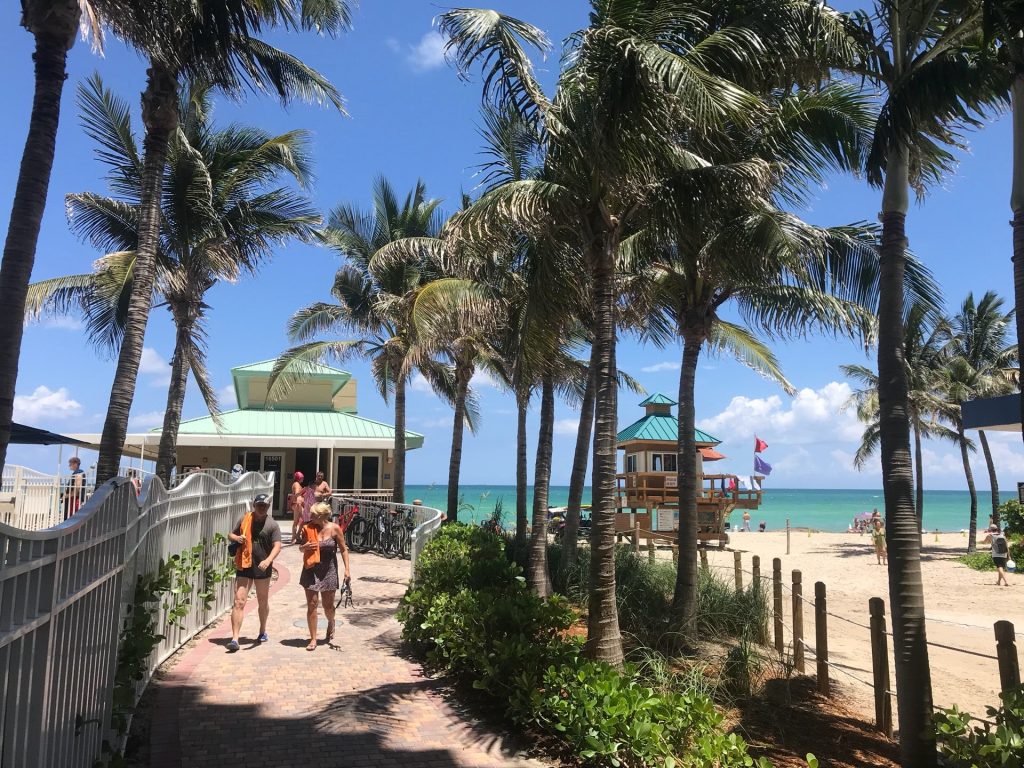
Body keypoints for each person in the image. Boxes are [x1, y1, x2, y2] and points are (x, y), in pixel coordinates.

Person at [226, 494, 282, 651]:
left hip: (262, 567)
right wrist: (237, 538)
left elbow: (277, 545)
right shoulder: (245, 519)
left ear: (268, 506)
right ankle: (235, 639)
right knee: (239, 601)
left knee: (262, 601)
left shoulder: (272, 525)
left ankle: (262, 630)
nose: (262, 508)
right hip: (244, 564)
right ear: (254, 505)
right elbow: (230, 534)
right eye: (259, 505)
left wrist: (268, 560)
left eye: (264, 505)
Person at [298, 502, 351, 651]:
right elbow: (301, 547)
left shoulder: (335, 529)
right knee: (312, 605)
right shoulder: (308, 528)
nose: (310, 517)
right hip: (311, 570)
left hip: (329, 570)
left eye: (313, 515)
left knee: (328, 607)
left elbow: (343, 549)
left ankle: (331, 621)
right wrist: (304, 547)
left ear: (321, 516)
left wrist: (347, 570)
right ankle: (313, 638)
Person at [289, 471, 306, 542]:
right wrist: (303, 490)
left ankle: (297, 536)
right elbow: (296, 494)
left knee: (304, 520)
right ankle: (294, 537)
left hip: (298, 504)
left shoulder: (297, 484)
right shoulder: (296, 484)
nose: (303, 479)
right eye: (302, 477)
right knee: (299, 521)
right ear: (299, 478)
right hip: (297, 504)